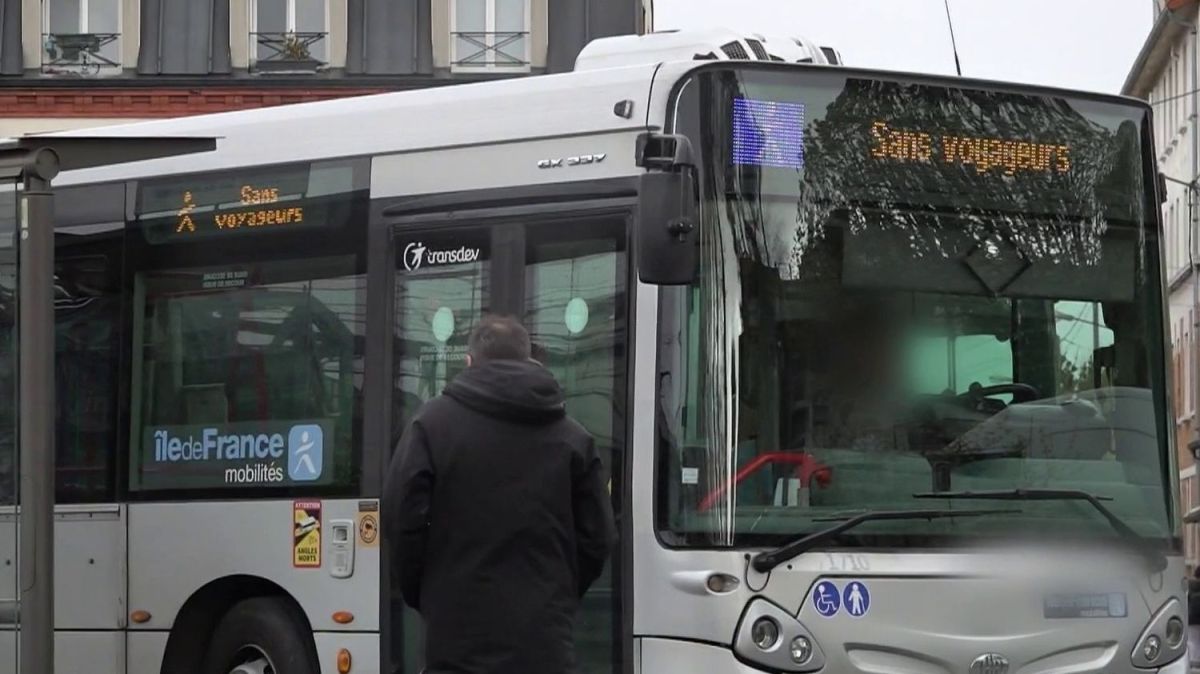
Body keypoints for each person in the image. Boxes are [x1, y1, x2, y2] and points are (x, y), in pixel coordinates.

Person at [383, 314, 617, 674]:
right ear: (529, 360)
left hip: (456, 647)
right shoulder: (574, 439)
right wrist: (558, 594)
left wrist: (426, 594)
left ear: (469, 361)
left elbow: (401, 521)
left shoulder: (429, 426)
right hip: (545, 649)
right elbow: (598, 538)